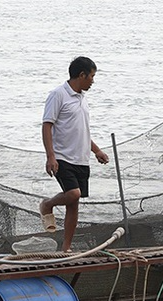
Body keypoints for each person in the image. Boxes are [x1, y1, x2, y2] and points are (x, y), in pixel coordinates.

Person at [40, 56, 109, 252]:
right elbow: (47, 126)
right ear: (82, 75)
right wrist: (50, 156)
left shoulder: (82, 99)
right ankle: (47, 204)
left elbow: (82, 131)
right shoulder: (58, 95)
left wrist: (96, 151)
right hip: (62, 156)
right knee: (73, 193)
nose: (93, 81)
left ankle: (66, 248)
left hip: (81, 158)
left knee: (74, 203)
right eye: (92, 76)